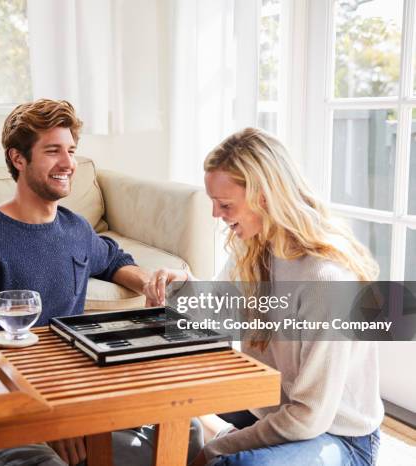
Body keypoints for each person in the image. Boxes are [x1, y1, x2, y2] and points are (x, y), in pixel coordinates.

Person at [0, 99, 203, 466]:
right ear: (18, 159)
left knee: (183, 432)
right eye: (52, 151)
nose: (68, 163)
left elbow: (112, 260)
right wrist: (48, 420)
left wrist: (150, 283)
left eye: (71, 150)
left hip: (68, 393)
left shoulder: (74, 228)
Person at [143, 128, 383, 466]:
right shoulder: (255, 245)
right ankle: (211, 430)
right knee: (168, 393)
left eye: (225, 204)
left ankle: (213, 433)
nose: (216, 215)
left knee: (235, 464)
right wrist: (181, 286)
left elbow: (308, 417)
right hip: (269, 405)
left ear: (265, 198)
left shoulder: (325, 279)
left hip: (337, 436)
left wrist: (217, 448)